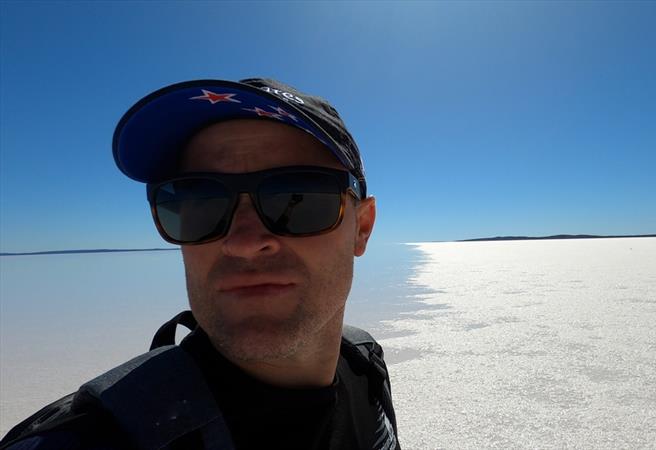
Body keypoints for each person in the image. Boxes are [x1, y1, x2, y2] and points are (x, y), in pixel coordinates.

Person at [1, 78, 399, 450]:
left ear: (361, 228)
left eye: (298, 197)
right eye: (198, 202)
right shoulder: (92, 437)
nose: (243, 243)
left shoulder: (365, 369)